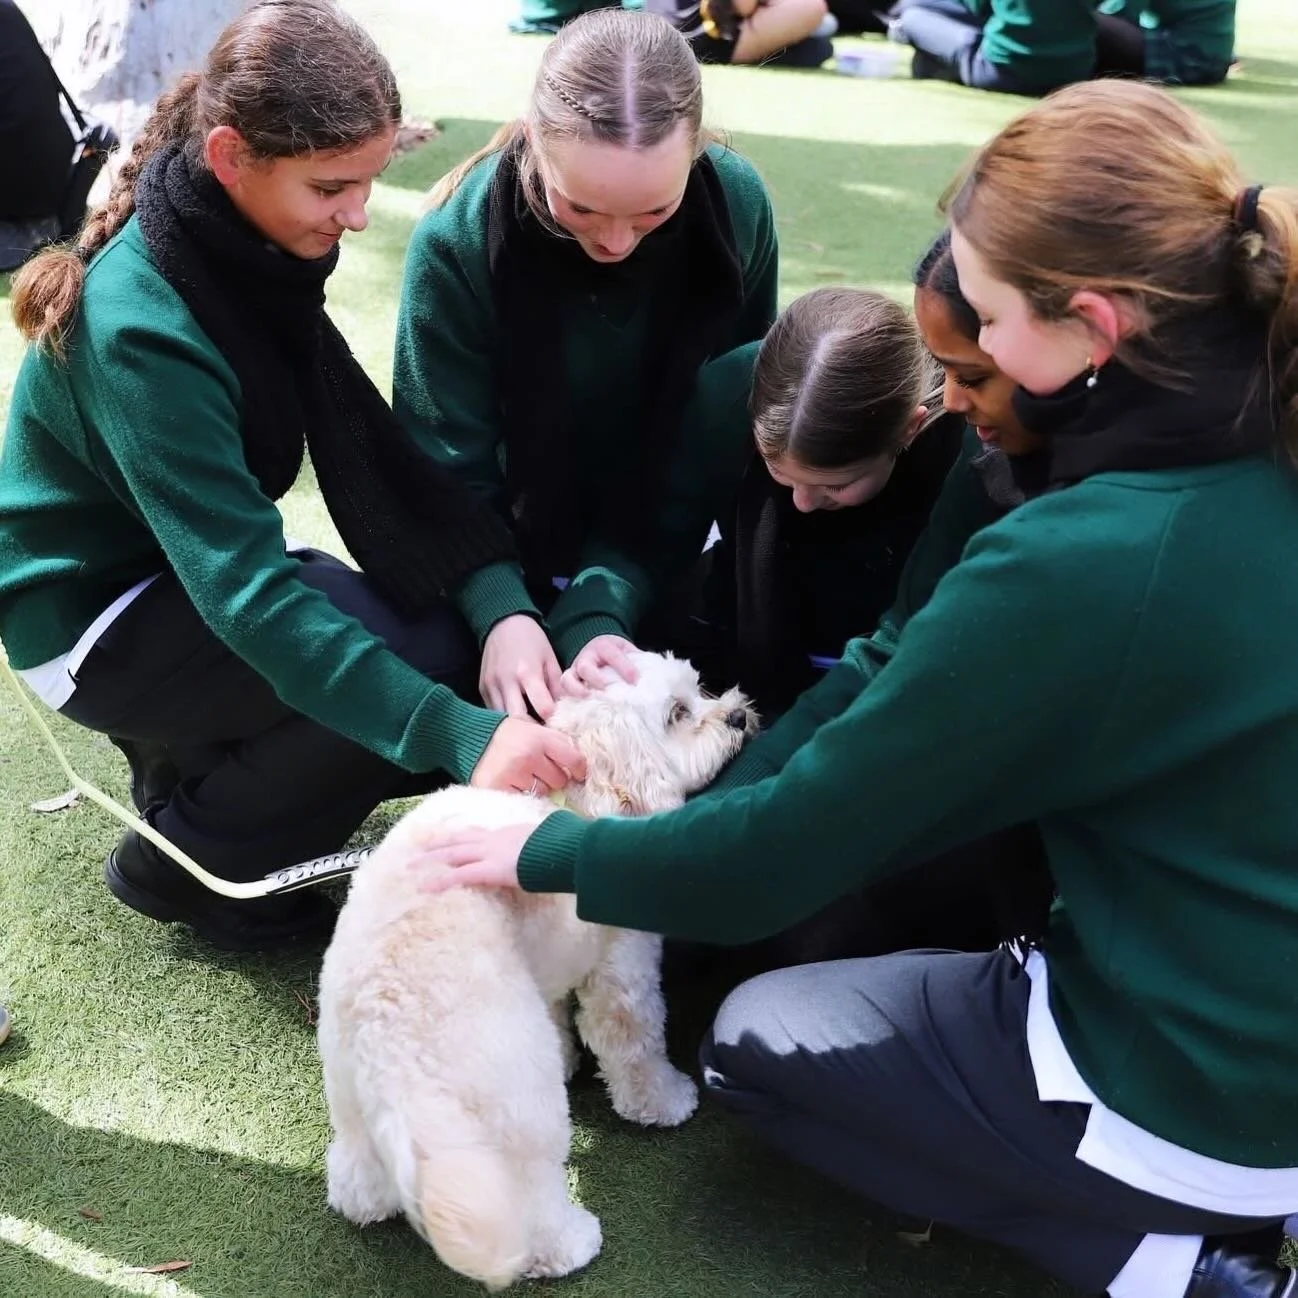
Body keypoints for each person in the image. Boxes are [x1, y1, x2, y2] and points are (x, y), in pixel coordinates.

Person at [416, 79, 1298, 1297]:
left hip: (1200, 1082)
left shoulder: (1079, 559)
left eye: (984, 325)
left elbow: (773, 858)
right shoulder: (1257, 437)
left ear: (1090, 325)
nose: (963, 369)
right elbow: (882, 667)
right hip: (1246, 982)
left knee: (753, 1043)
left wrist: (551, 854)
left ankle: (1161, 1255)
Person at [0, 0, 583, 954]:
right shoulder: (144, 321)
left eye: (369, 180)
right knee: (428, 676)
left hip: (169, 579)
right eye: (330, 188)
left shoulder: (241, 242)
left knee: (452, 644)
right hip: (85, 623)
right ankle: (194, 865)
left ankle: (195, 766)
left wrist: (500, 603)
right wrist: (465, 739)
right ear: (230, 156)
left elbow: (372, 453)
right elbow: (250, 601)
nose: (356, 214)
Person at [394, 7, 778, 723]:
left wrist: (606, 600)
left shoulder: (739, 206)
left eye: (654, 212)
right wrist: (503, 612)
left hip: (667, 546)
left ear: (694, 153)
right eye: (582, 207)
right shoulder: (458, 239)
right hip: (496, 554)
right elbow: (441, 466)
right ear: (536, 138)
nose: (618, 242)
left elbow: (729, 428)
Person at [695, 285, 964, 716]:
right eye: (778, 470)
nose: (803, 502)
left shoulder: (965, 460)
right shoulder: (724, 396)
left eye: (836, 485)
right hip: (748, 670)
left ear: (909, 431)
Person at [891, 0, 1144, 95]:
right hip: (1077, 73)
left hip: (999, 71)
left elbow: (977, 6)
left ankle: (907, 35)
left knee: (913, 12)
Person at [635, 0, 837, 68]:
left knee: (818, 45)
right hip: (701, 35)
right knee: (812, 11)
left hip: (659, 29)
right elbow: (744, 6)